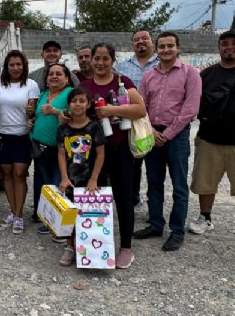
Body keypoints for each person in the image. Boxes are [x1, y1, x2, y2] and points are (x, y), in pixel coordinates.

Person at [80, 43, 148, 269]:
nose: (99, 63)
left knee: (123, 197)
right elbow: (75, 110)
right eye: (96, 58)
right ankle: (93, 245)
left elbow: (140, 109)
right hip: (92, 151)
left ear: (112, 60)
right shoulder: (84, 86)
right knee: (94, 196)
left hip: (120, 148)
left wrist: (111, 111)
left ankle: (126, 248)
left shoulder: (122, 83)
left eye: (104, 59)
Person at [187, 31, 235, 235]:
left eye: (234, 44)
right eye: (224, 44)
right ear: (218, 48)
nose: (229, 47)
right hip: (209, 138)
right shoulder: (207, 74)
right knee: (205, 182)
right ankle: (205, 217)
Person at [134, 32, 201, 252]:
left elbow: (190, 109)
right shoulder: (148, 76)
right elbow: (141, 106)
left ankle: (177, 230)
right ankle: (155, 224)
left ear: (177, 48)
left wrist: (169, 134)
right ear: (156, 48)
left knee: (179, 186)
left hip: (177, 136)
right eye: (161, 46)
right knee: (153, 182)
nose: (165, 50)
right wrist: (152, 132)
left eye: (170, 46)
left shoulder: (190, 73)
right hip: (152, 134)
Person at [0, 50, 39, 235]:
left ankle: (18, 215)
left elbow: (33, 112)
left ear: (24, 65)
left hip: (22, 136)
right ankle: (13, 211)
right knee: (6, 173)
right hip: (3, 135)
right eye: (12, 65)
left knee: (20, 173)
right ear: (6, 66)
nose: (16, 68)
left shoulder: (31, 85)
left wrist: (30, 114)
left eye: (19, 64)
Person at [56, 87, 105, 266]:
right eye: (74, 101)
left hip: (89, 179)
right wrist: (63, 177)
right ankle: (69, 247)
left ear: (88, 104)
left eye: (82, 101)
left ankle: (88, 249)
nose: (78, 104)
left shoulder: (94, 127)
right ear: (68, 104)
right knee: (70, 214)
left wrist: (94, 178)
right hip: (70, 179)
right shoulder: (63, 128)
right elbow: (61, 154)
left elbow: (100, 154)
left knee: (88, 214)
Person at [116, 30, 158, 212]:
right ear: (132, 44)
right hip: (132, 123)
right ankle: (133, 198)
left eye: (145, 39)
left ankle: (155, 208)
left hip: (157, 122)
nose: (141, 42)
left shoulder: (162, 63)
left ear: (152, 41)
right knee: (133, 162)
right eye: (136, 40)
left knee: (155, 170)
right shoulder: (121, 67)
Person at [28, 63, 73, 235]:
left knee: (58, 183)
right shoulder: (43, 95)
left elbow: (74, 115)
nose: (54, 76)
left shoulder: (70, 94)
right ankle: (46, 217)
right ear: (46, 79)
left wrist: (55, 111)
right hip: (40, 147)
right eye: (51, 74)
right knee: (45, 184)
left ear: (67, 78)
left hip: (59, 149)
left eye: (59, 74)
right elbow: (37, 116)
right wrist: (30, 123)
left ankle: (58, 222)